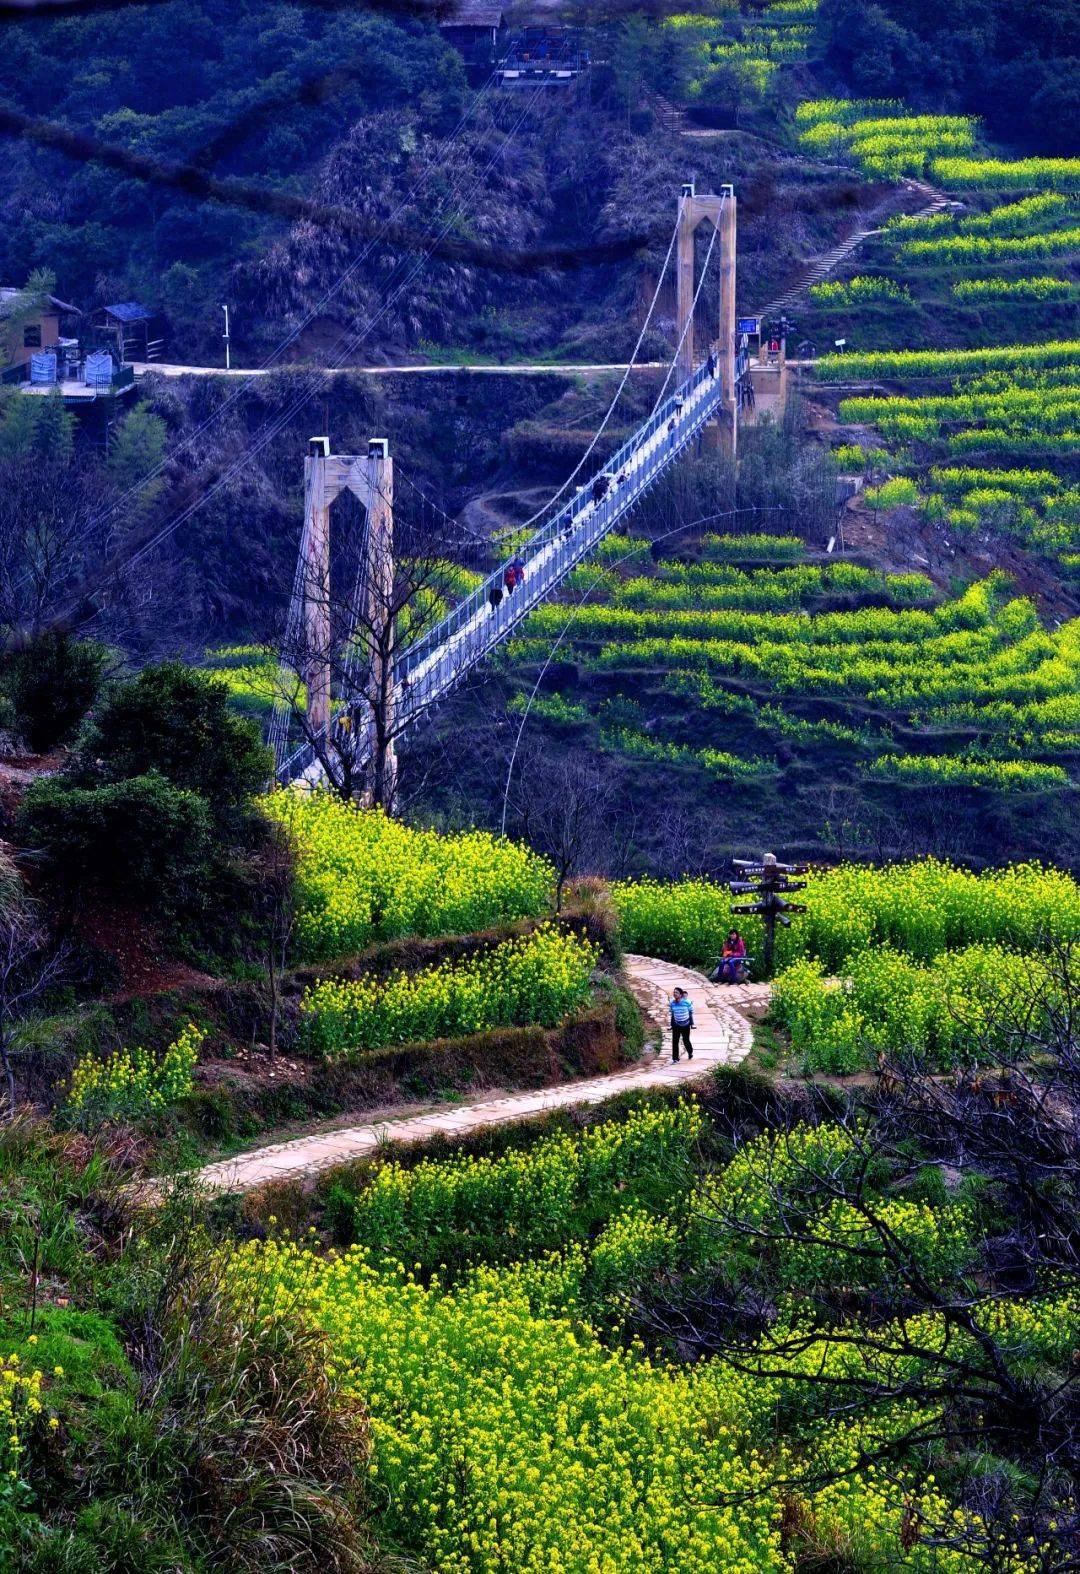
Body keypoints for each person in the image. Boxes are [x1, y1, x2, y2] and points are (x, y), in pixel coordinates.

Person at [669, 987, 694, 1062]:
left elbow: (691, 1011)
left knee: (686, 1040)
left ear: (681, 994)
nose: (675, 994)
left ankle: (690, 1052)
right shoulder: (672, 1003)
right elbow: (672, 1012)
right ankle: (675, 1058)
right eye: (674, 992)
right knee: (675, 1041)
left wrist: (690, 1022)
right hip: (676, 1024)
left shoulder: (687, 1002)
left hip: (686, 1025)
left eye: (676, 992)